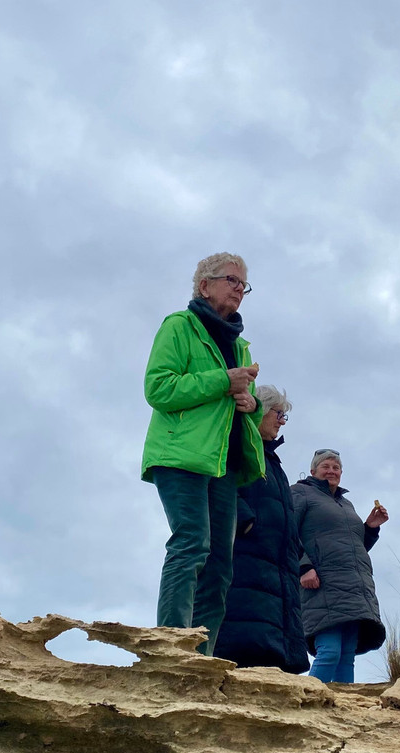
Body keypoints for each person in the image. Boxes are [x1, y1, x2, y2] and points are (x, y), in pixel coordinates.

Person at [141, 252, 265, 656]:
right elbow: (158, 388)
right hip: (180, 455)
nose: (239, 289)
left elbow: (242, 404)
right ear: (204, 285)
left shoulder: (240, 346)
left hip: (223, 463)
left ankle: (201, 656)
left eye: (244, 284)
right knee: (191, 544)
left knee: (220, 567)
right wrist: (222, 381)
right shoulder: (179, 326)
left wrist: (252, 405)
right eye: (232, 280)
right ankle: (170, 647)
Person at [214, 386, 310, 674]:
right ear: (259, 409)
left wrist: (296, 551)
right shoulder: (238, 442)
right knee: (246, 643)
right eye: (278, 414)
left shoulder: (272, 461)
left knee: (272, 649)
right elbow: (219, 481)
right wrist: (243, 521)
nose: (282, 422)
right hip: (247, 557)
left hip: (277, 567)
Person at [292, 449, 389, 683]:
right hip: (321, 583)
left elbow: (353, 548)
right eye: (325, 466)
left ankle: (340, 703)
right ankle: (306, 699)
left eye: (336, 468)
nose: (331, 471)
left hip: (354, 587)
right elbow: (286, 531)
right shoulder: (300, 493)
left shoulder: (347, 504)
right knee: (329, 651)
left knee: (346, 655)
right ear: (313, 471)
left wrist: (370, 528)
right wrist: (303, 567)